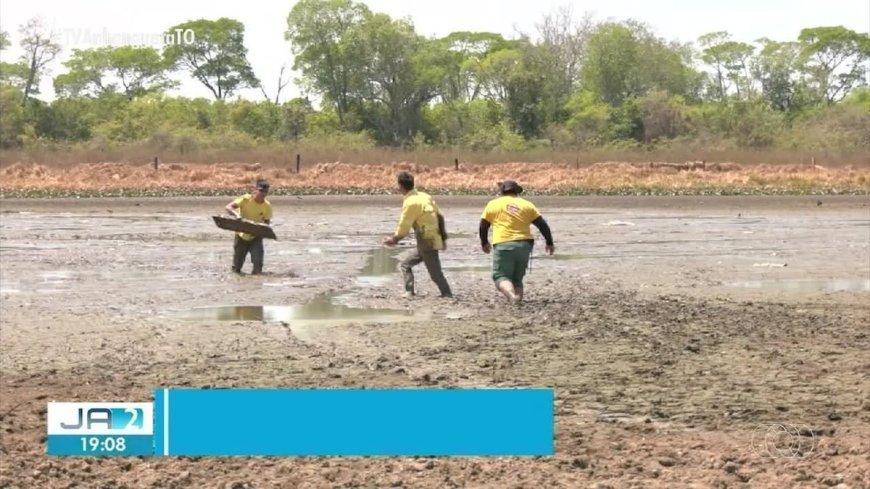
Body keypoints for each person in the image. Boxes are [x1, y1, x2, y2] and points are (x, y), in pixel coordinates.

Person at [479, 180, 554, 304]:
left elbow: (483, 225)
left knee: (500, 276)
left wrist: (484, 242)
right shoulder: (527, 205)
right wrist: (549, 242)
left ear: (502, 191)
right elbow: (542, 225)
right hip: (524, 245)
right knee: (517, 279)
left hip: (503, 244)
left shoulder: (493, 204)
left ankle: (512, 296)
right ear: (517, 191)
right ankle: (517, 300)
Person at [383, 172, 453, 298]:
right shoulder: (424, 196)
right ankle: (409, 291)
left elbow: (404, 225)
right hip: (431, 238)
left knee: (435, 273)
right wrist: (443, 238)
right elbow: (440, 217)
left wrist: (394, 239)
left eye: (397, 185)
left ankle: (447, 293)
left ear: (401, 186)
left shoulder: (411, 202)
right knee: (405, 265)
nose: (397, 188)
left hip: (427, 240)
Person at [225, 179, 273, 275]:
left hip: (256, 237)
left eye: (265, 192)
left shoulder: (267, 206)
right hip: (241, 236)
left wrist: (263, 229)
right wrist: (237, 215)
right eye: (261, 190)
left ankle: (255, 284)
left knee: (258, 265)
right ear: (255, 190)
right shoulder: (245, 199)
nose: (263, 193)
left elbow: (267, 223)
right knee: (236, 268)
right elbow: (228, 207)